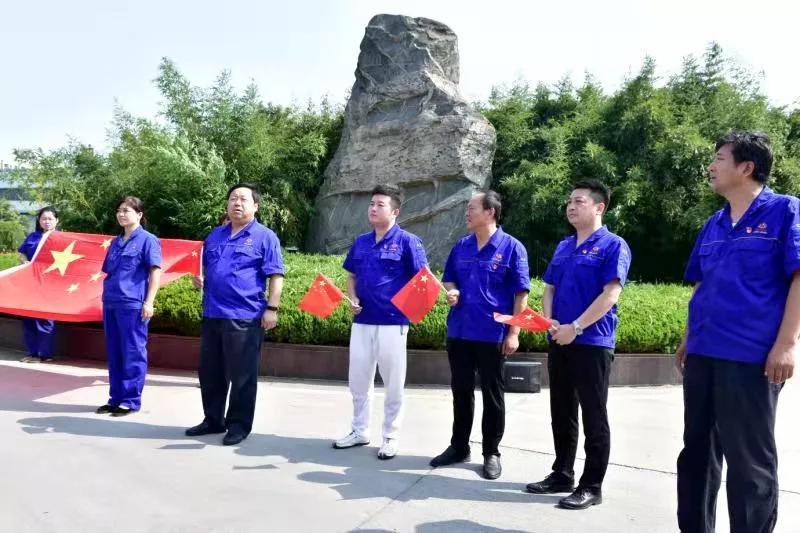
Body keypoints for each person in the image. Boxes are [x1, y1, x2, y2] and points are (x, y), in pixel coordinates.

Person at [675, 131, 797, 533]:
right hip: (704, 352)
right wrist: (688, 337)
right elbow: (701, 283)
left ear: (746, 167)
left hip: (750, 355)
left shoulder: (785, 211)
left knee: (748, 462)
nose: (711, 166)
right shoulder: (713, 223)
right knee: (696, 453)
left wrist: (786, 344)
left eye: (719, 158)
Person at [525, 180, 631, 510]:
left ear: (599, 207)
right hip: (560, 339)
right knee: (562, 411)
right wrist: (550, 322)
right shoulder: (564, 246)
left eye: (579, 201)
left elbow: (611, 294)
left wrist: (577, 327)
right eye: (569, 201)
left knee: (593, 416)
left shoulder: (613, 245)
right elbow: (549, 288)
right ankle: (562, 473)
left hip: (593, 342)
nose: (571, 206)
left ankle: (591, 485)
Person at [429, 191, 530, 480]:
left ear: (490, 212)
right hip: (460, 330)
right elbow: (449, 279)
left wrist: (514, 332)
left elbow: (520, 294)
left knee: (492, 395)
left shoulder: (512, 248)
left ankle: (491, 452)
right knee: (460, 392)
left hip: (493, 334)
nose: (467, 212)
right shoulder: (462, 246)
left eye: (472, 207)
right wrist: (452, 291)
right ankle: (459, 446)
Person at [332, 184, 428, 460]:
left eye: (380, 205)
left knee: (393, 384)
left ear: (395, 211)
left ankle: (390, 436)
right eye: (371, 204)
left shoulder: (408, 242)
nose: (373, 209)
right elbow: (351, 276)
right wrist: (352, 297)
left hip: (393, 323)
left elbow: (422, 281)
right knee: (358, 381)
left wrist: (407, 310)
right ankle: (359, 430)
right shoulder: (361, 242)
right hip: (362, 321)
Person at [185, 183, 285, 446]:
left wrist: (272, 308)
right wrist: (199, 279)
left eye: (243, 199)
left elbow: (276, 275)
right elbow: (203, 268)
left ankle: (238, 425)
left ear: (255, 206)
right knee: (211, 372)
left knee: (242, 375)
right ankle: (213, 420)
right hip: (212, 313)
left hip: (245, 315)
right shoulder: (215, 235)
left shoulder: (265, 237)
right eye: (232, 199)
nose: (237, 203)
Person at [96, 196, 162, 417]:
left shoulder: (148, 240)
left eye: (127, 210)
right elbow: (109, 271)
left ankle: (131, 400)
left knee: (132, 352)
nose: (121, 214)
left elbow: (155, 272)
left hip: (133, 304)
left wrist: (149, 302)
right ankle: (115, 398)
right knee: (114, 352)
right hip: (111, 302)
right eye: (119, 211)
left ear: (139, 215)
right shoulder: (115, 242)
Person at [17, 206, 59, 363]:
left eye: (50, 219)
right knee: (28, 317)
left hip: (49, 284)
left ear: (56, 220)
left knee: (45, 318)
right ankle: (32, 352)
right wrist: (24, 261)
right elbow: (22, 253)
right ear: (39, 220)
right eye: (43, 218)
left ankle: (44, 354)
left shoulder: (61, 238)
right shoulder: (33, 236)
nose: (46, 221)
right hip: (30, 282)